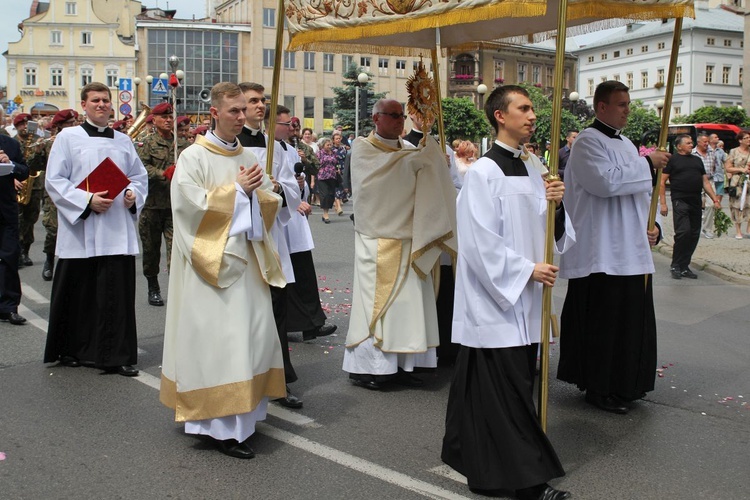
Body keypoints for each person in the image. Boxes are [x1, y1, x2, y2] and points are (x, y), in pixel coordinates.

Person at [442, 84, 574, 500]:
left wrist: (558, 205)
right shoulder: (483, 172)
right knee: (508, 395)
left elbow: (546, 228)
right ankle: (529, 483)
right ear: (501, 116)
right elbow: (478, 242)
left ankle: (487, 469)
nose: (533, 115)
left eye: (533, 108)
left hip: (526, 297)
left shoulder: (535, 165)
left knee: (506, 391)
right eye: (524, 108)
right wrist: (525, 270)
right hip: (495, 302)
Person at [160, 82, 286, 459]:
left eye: (244, 110)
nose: (242, 117)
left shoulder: (248, 155)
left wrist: (263, 194)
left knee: (250, 338)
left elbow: (268, 199)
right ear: (214, 113)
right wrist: (237, 192)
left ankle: (245, 416)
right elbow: (188, 209)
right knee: (221, 344)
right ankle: (218, 427)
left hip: (246, 264)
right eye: (233, 111)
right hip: (212, 270)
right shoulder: (194, 158)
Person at [557, 80, 670, 414]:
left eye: (628, 104)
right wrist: (649, 164)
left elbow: (640, 196)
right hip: (601, 252)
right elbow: (604, 183)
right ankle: (599, 386)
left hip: (630, 249)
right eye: (621, 104)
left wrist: (655, 228)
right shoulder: (587, 142)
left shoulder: (627, 144)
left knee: (630, 323)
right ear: (601, 107)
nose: (627, 110)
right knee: (604, 325)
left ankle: (627, 384)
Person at [343, 99, 457, 390]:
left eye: (401, 115)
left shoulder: (409, 151)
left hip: (410, 237)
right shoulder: (362, 148)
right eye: (392, 115)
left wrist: (433, 164)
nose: (398, 120)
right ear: (375, 118)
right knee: (379, 306)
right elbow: (381, 180)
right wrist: (424, 159)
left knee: (408, 306)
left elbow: (417, 176)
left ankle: (406, 363)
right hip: (378, 238)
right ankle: (372, 368)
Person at [43, 82, 148, 376]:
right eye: (96, 100)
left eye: (105, 100)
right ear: (84, 105)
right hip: (82, 228)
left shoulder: (123, 141)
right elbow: (55, 180)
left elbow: (138, 177)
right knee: (80, 292)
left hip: (115, 228)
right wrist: (88, 200)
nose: (101, 105)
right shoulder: (68, 137)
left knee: (116, 295)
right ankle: (71, 350)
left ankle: (117, 355)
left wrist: (132, 195)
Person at [237, 84, 304, 409]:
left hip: (272, 235)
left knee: (276, 310)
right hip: (240, 240)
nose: (260, 106)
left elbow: (290, 184)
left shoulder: (274, 146)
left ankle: (279, 382)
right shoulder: (226, 145)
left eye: (263, 101)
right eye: (253, 101)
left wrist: (277, 185)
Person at [277, 113, 337, 342]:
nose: (293, 128)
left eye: (295, 125)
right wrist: (291, 194)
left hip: (294, 220)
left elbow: (303, 177)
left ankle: (312, 323)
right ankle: (298, 323)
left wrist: (300, 189)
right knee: (287, 278)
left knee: (304, 274)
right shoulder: (265, 149)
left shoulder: (293, 150)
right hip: (280, 220)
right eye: (288, 124)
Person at [137, 102, 189, 306]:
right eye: (163, 117)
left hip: (174, 207)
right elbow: (141, 169)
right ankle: (153, 286)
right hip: (152, 206)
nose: (168, 120)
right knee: (151, 250)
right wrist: (162, 174)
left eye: (170, 116)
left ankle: (177, 290)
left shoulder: (182, 145)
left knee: (176, 250)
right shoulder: (146, 143)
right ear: (155, 120)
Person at [659, 135, 720, 279]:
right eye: (688, 143)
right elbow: (662, 181)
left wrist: (715, 199)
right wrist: (663, 203)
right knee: (683, 232)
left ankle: (685, 266)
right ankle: (676, 265)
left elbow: (705, 182)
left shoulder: (697, 160)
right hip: (680, 200)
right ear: (679, 146)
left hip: (696, 201)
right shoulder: (672, 160)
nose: (691, 145)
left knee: (693, 234)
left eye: (691, 143)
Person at [31, 109, 79, 281]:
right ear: (59, 126)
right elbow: (34, 167)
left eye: (74, 123)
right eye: (69, 124)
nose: (73, 126)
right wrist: (37, 152)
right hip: (54, 194)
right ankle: (49, 259)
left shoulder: (80, 141)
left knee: (76, 229)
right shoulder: (49, 143)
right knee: (53, 230)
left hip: (76, 191)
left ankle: (72, 266)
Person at [0, 130, 30, 325]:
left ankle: (9, 307)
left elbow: (24, 170)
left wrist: (9, 165)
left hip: (6, 210)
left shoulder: (9, 144)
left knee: (10, 256)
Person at [14, 113, 44, 268]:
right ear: (16, 126)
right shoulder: (12, 143)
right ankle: (17, 252)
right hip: (17, 185)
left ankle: (26, 251)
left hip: (34, 186)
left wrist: (38, 151)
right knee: (17, 220)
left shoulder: (35, 141)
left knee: (30, 220)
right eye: (22, 125)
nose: (25, 128)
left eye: (27, 124)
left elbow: (40, 165)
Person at [724, 130, 750, 239]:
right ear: (740, 140)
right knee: (736, 205)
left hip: (749, 181)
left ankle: (749, 229)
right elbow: (728, 167)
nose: (749, 140)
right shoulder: (733, 152)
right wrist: (741, 169)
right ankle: (738, 231)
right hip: (737, 181)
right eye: (746, 138)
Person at [691, 133, 717, 239]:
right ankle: (695, 227)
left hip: (709, 181)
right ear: (699, 142)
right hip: (696, 181)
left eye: (708, 141)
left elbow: (715, 166)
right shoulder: (692, 153)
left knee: (711, 205)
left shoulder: (712, 152)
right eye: (705, 142)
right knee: (697, 205)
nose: (707, 144)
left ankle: (707, 228)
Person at [316, 138, 339, 223]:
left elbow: (336, 163)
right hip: (322, 176)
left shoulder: (333, 153)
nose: (329, 146)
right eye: (327, 145)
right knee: (325, 195)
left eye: (330, 145)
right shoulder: (319, 153)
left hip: (332, 176)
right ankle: (325, 213)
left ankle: (326, 211)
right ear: (323, 145)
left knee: (331, 195)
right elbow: (316, 164)